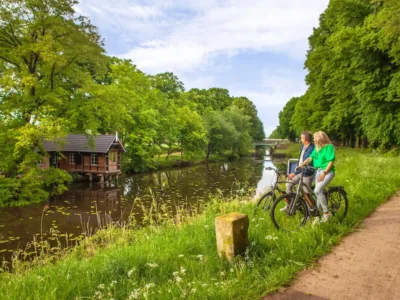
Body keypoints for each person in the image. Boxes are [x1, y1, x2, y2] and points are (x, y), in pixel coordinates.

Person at [300, 131, 335, 223]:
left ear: (321, 139)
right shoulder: (317, 148)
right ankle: (318, 216)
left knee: (317, 190)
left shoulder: (328, 147)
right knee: (317, 193)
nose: (315, 141)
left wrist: (324, 173)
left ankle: (326, 213)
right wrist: (302, 164)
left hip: (327, 172)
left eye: (316, 139)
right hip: (318, 172)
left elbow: (331, 162)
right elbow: (310, 158)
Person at [282, 131, 315, 211]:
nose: (300, 139)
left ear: (305, 138)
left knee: (306, 195)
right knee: (288, 185)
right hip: (300, 172)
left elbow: (306, 163)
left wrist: (294, 173)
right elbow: (300, 159)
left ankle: (310, 212)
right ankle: (290, 205)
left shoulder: (312, 149)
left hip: (306, 174)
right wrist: (297, 166)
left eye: (301, 137)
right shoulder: (303, 146)